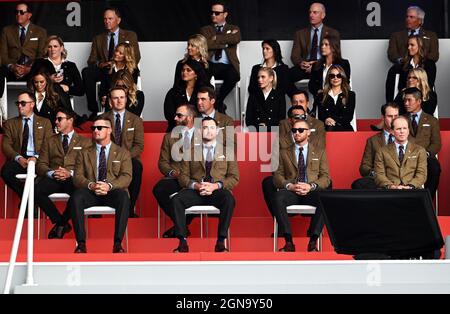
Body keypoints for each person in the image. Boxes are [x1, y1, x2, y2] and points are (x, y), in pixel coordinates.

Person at [171, 117, 239, 253]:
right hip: (196, 190)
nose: (209, 131)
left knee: (229, 199)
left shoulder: (228, 152)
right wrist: (195, 185)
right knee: (176, 199)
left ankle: (221, 241)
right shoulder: (189, 151)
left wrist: (215, 186)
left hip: (216, 191)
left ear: (218, 131)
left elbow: (234, 178)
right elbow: (183, 177)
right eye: (205, 127)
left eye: (212, 127)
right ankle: (182, 241)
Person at [71, 116, 132, 254]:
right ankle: (81, 244)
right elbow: (77, 177)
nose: (95, 131)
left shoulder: (123, 153)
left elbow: (126, 177)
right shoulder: (83, 153)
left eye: (99, 128)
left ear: (109, 130)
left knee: (123, 197)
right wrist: (92, 185)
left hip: (112, 191)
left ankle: (117, 243)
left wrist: (108, 186)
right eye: (93, 128)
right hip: (92, 191)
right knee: (76, 197)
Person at [273, 119, 331, 252]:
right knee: (277, 197)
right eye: (294, 130)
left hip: (310, 191)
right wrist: (290, 186)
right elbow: (277, 176)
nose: (297, 133)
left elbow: (325, 177)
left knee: (325, 197)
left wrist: (311, 186)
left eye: (300, 130)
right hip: (292, 191)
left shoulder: (320, 151)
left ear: (309, 132)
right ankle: (288, 241)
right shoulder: (283, 152)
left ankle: (313, 241)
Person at [35, 107, 92, 239]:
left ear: (70, 121)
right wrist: (52, 173)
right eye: (56, 119)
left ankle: (61, 224)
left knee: (78, 194)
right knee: (36, 190)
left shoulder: (85, 142)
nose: (56, 122)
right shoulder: (50, 140)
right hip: (54, 177)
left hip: (73, 178)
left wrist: (70, 173)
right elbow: (41, 164)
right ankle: (61, 222)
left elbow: (87, 166)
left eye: (59, 119)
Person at [82, 7, 140, 119]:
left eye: (110, 18)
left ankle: (117, 101)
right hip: (106, 69)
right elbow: (91, 60)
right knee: (87, 72)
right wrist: (101, 64)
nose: (107, 21)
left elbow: (136, 56)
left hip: (124, 69)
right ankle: (94, 109)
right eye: (105, 19)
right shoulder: (98, 39)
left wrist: (123, 65)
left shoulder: (130, 35)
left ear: (118, 20)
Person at [153, 104, 199, 238]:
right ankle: (182, 225)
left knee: (200, 192)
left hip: (197, 179)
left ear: (190, 118)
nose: (175, 118)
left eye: (179, 115)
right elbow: (162, 162)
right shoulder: (169, 137)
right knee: (159, 189)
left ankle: (181, 226)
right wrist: (172, 173)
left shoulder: (204, 135)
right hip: (177, 177)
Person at [1, 90, 53, 199]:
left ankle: (29, 202)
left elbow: (49, 145)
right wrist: (19, 158)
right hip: (20, 160)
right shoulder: (10, 124)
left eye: (23, 103)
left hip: (39, 160)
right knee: (6, 172)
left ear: (32, 104)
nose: (19, 106)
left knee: (46, 175)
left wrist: (36, 158)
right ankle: (27, 197)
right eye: (18, 103)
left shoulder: (45, 122)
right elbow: (6, 145)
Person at [101, 87, 144, 218]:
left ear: (126, 99)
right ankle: (96, 206)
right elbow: (97, 142)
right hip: (106, 157)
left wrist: (123, 157)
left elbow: (139, 145)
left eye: (122, 97)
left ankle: (129, 208)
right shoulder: (102, 119)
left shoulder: (136, 120)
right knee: (94, 164)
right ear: (110, 101)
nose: (119, 101)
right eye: (115, 98)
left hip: (128, 158)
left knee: (136, 166)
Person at [200, 0, 241, 113]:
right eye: (212, 12)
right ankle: (212, 108)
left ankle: (218, 101)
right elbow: (205, 44)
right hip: (210, 64)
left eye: (217, 13)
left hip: (227, 65)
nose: (213, 15)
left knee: (234, 75)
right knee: (201, 77)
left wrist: (215, 39)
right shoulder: (205, 30)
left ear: (225, 14)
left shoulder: (234, 28)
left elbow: (236, 38)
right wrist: (225, 41)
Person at [0, 2, 47, 98]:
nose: (18, 14)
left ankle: (36, 107)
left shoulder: (40, 31)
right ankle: (0, 109)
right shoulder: (6, 31)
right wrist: (13, 67)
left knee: (40, 73)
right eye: (16, 12)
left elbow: (41, 55)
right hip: (12, 69)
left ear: (29, 15)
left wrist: (29, 68)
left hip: (31, 69)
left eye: (21, 12)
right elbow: (3, 55)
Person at [403, 87, 441, 199]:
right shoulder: (401, 119)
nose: (406, 103)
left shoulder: (432, 120)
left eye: (409, 100)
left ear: (419, 101)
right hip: (406, 156)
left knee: (434, 167)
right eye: (405, 100)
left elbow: (436, 143)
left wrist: (426, 153)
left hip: (425, 156)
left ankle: (428, 199)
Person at [352, 103, 400, 190]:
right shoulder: (372, 140)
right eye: (390, 116)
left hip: (401, 177)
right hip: (379, 178)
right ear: (383, 117)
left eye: (396, 116)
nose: (393, 119)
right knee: (358, 184)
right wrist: (375, 173)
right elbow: (364, 167)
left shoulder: (407, 138)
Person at [290, 2, 340, 84]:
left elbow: (335, 55)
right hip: (305, 68)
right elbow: (294, 56)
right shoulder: (300, 34)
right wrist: (301, 63)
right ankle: (299, 96)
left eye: (315, 12)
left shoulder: (333, 33)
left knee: (321, 80)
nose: (311, 15)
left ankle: (320, 95)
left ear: (323, 15)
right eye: (310, 12)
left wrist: (316, 65)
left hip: (323, 67)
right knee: (285, 76)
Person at [374, 116, 427, 190]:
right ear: (392, 131)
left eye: (404, 128)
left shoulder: (419, 150)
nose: (402, 131)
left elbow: (421, 174)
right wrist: (392, 186)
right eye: (398, 129)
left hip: (413, 191)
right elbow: (379, 175)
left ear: (408, 131)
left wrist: (410, 186)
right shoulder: (382, 151)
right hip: (390, 191)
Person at [386, 35, 436, 102]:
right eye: (408, 45)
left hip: (425, 101)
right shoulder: (401, 66)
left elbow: (429, 85)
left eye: (412, 45)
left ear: (420, 46)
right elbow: (400, 87)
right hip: (405, 102)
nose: (409, 47)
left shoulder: (429, 64)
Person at [164, 59, 209, 132]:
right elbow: (168, 113)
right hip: (177, 128)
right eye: (183, 70)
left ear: (196, 74)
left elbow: (207, 111)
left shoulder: (204, 91)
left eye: (188, 70)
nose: (184, 72)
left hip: (199, 129)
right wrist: (182, 120)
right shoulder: (173, 91)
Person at [315, 65, 355, 131]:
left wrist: (330, 119)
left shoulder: (350, 95)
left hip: (345, 130)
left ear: (342, 77)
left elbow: (348, 117)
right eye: (332, 76)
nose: (335, 78)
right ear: (328, 78)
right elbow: (321, 116)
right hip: (327, 129)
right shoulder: (321, 96)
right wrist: (326, 120)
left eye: (338, 75)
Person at [308, 35, 350, 99]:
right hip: (321, 99)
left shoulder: (343, 64)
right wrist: (319, 91)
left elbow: (346, 82)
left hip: (339, 99)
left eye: (326, 44)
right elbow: (311, 85)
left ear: (333, 47)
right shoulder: (316, 65)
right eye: (322, 44)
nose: (322, 47)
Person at [245, 67, 286, 131]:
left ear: (271, 78)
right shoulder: (253, 96)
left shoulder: (279, 96)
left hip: (273, 133)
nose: (259, 80)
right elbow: (249, 119)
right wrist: (258, 128)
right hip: (256, 132)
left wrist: (267, 126)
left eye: (263, 77)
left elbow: (281, 119)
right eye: (258, 77)